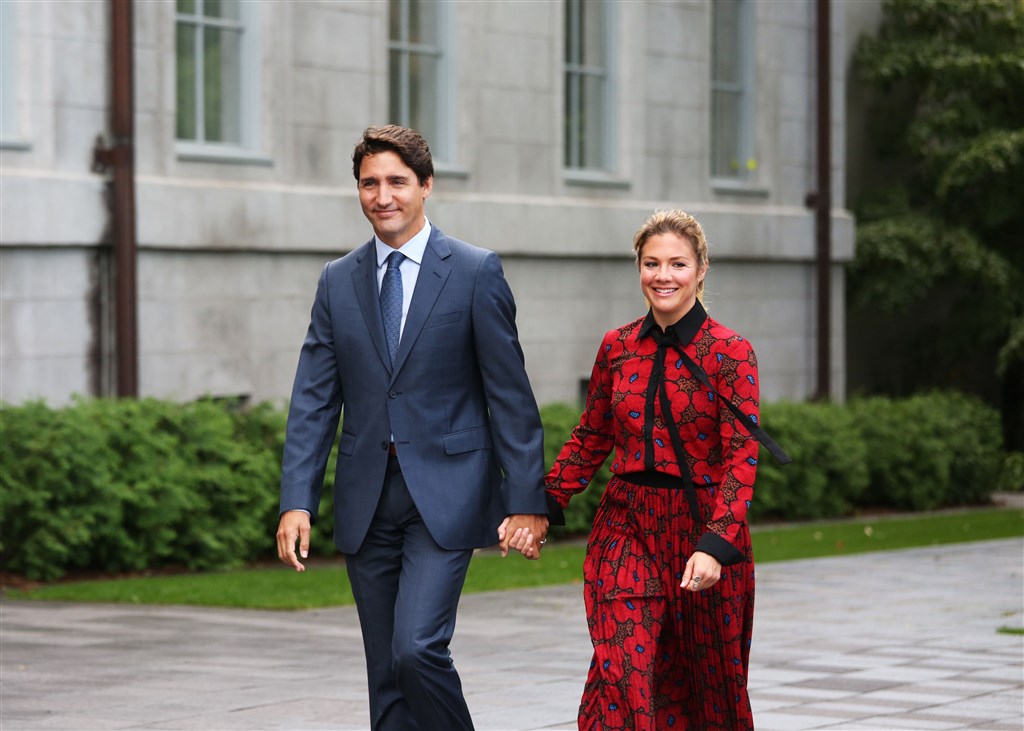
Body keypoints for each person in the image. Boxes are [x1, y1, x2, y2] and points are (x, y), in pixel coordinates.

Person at [276, 124, 549, 731]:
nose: (383, 195)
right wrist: (297, 498)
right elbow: (314, 399)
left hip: (446, 495)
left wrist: (528, 500)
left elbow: (511, 396)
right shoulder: (336, 280)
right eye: (369, 183)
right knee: (386, 674)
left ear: (426, 186)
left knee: (416, 650)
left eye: (397, 181)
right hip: (365, 497)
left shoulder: (476, 272)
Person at [508, 209, 789, 730]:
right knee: (623, 670)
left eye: (677, 264)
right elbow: (592, 437)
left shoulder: (731, 352)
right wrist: (540, 504)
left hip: (702, 527)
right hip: (627, 523)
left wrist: (715, 543)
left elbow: (740, 460)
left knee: (709, 687)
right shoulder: (617, 346)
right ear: (638, 268)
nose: (664, 275)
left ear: (701, 269)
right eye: (652, 263)